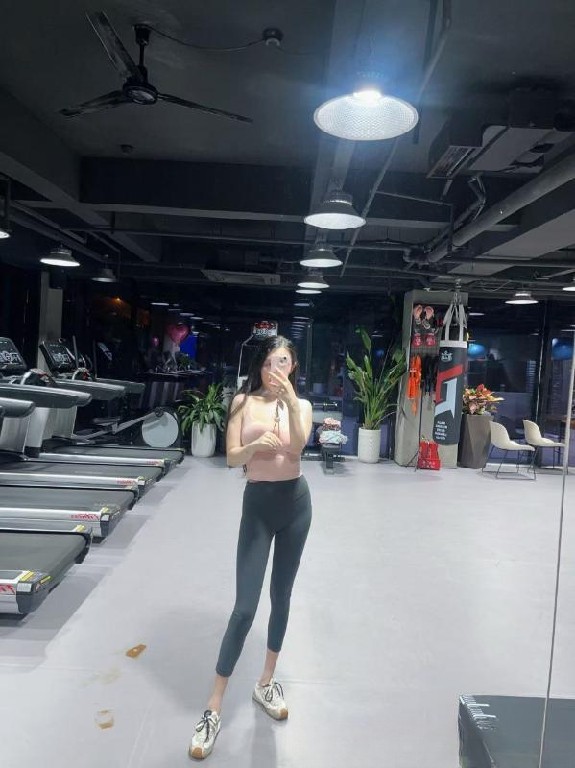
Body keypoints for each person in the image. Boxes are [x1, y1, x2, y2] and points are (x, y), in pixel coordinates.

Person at [189, 336, 313, 760]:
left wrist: (291, 403)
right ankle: (213, 706)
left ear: (293, 366)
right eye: (269, 362)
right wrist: (255, 446)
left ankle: (266, 682)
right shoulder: (243, 402)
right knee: (244, 608)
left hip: (296, 504)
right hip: (258, 506)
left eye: (284, 362)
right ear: (259, 366)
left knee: (282, 596)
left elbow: (298, 447)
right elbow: (230, 458)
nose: (276, 369)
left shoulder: (302, 406)